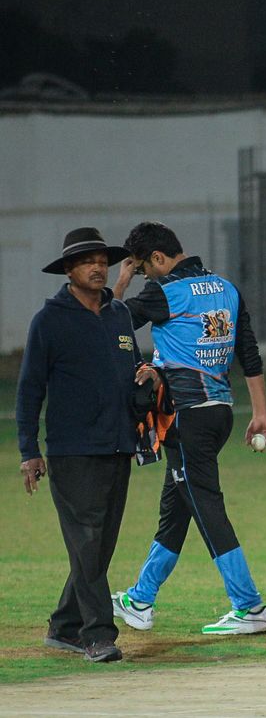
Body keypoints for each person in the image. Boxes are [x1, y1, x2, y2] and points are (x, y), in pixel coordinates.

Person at [110, 222, 266, 635]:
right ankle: (141, 599)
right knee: (176, 511)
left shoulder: (165, 292)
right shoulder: (225, 288)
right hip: (220, 414)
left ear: (158, 258)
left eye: (144, 269)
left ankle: (250, 607)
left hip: (186, 419)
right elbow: (249, 353)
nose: (145, 276)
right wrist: (261, 413)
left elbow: (108, 325)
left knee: (206, 508)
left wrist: (121, 283)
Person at [16, 227, 147, 663]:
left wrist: (147, 379)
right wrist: (28, 450)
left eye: (102, 261)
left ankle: (64, 626)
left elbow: (131, 369)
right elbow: (29, 389)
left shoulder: (119, 315)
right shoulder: (50, 321)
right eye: (87, 261)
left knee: (99, 545)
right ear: (69, 270)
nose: (97, 267)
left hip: (119, 444)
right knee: (88, 542)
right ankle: (97, 635)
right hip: (72, 450)